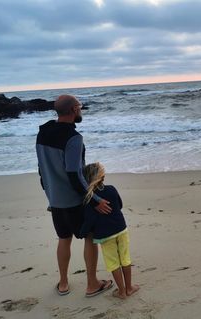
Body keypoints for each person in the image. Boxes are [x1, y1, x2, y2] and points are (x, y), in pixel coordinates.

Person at [36, 95, 114, 297]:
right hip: (74, 200)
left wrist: (49, 193)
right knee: (90, 237)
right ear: (72, 110)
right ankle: (92, 284)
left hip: (54, 199)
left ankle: (63, 284)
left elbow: (42, 169)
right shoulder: (73, 138)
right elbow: (74, 174)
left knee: (64, 238)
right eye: (79, 107)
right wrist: (94, 200)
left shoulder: (42, 133)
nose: (81, 110)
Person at [80, 162, 140, 299]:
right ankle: (129, 288)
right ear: (102, 176)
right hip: (121, 229)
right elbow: (120, 205)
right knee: (125, 258)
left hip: (105, 236)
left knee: (113, 262)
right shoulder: (112, 189)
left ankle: (121, 292)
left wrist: (82, 233)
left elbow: (89, 220)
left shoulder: (89, 199)